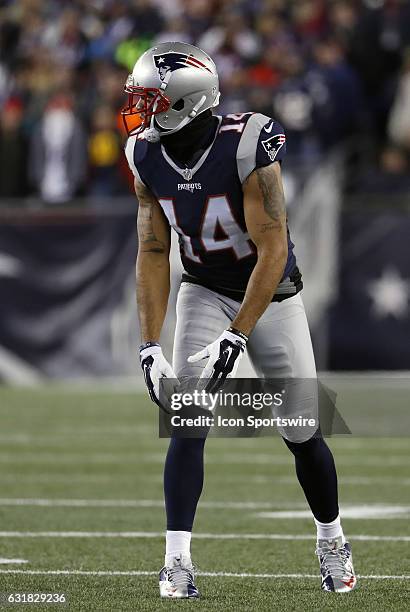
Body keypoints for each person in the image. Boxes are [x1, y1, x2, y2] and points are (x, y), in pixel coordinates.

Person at [122, 41, 356, 598]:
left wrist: (236, 337)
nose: (138, 107)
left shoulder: (248, 143)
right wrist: (150, 345)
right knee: (187, 418)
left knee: (302, 430)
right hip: (204, 288)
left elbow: (273, 248)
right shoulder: (144, 153)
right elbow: (154, 251)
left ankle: (331, 537)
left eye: (150, 97)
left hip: (271, 294)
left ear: (186, 102)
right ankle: (176, 561)